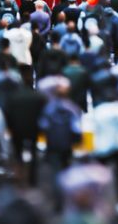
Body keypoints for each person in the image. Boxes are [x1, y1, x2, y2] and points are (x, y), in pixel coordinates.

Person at [39, 79, 82, 211]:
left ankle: (58, 201)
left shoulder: (48, 108)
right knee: (68, 172)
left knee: (55, 174)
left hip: (53, 145)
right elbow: (77, 128)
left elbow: (43, 125)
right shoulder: (72, 108)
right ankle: (69, 198)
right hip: (67, 145)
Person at [92, 84, 118, 216]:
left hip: (101, 147)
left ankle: (100, 204)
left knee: (99, 179)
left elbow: (93, 128)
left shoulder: (97, 111)